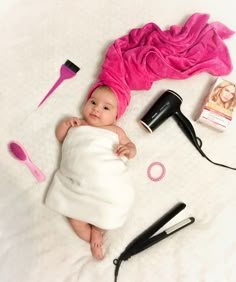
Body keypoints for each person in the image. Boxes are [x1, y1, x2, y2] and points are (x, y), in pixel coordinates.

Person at [45, 85, 136, 260]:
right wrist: (65, 125)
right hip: (76, 185)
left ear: (116, 116)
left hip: (106, 183)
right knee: (75, 218)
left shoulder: (116, 131)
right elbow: (61, 137)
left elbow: (132, 149)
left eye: (106, 107)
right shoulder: (78, 124)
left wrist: (128, 149)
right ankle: (93, 236)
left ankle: (99, 230)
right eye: (93, 102)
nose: (96, 108)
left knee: (111, 209)